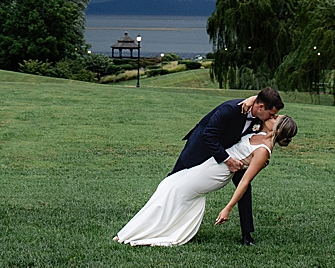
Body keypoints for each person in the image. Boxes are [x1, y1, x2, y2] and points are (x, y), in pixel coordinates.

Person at [114, 114, 298, 247]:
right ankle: (137, 229)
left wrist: (227, 208)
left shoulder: (263, 152)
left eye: (275, 118)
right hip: (212, 163)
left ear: (279, 129)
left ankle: (153, 233)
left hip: (217, 174)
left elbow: (244, 182)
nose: (271, 116)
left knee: (175, 190)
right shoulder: (257, 132)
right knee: (168, 184)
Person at [170, 88, 283, 245]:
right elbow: (208, 135)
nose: (272, 118)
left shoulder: (259, 114)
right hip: (201, 146)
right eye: (271, 114)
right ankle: (165, 216)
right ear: (261, 107)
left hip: (234, 153)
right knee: (174, 179)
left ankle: (246, 235)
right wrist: (227, 159)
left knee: (244, 186)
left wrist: (252, 98)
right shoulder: (231, 109)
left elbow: (278, 121)